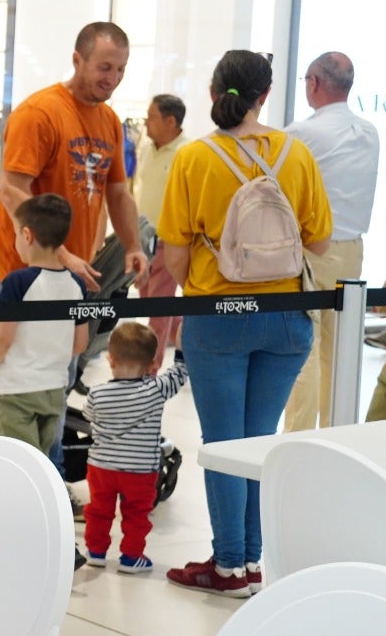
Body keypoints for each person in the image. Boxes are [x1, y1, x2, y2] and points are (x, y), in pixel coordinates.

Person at [157, 50, 331, 598]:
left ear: (214, 94)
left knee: (224, 443)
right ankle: (251, 563)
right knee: (259, 441)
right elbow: (320, 240)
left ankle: (230, 565)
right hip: (286, 322)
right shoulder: (295, 154)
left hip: (218, 319)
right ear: (265, 95)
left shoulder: (194, 158)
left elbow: (176, 257)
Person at [0, 21, 146, 291]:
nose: (113, 78)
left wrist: (133, 246)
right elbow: (11, 191)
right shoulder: (38, 114)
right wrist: (60, 255)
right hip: (25, 273)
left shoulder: (109, 121)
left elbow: (118, 193)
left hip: (75, 270)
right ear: (77, 60)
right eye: (105, 67)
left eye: (121, 69)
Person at [284, 51, 379, 431]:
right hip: (352, 253)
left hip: (311, 250)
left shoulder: (302, 133)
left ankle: (298, 438)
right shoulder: (369, 133)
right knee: (339, 353)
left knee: (304, 349)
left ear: (314, 83)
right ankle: (336, 435)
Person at [0, 194, 89, 454]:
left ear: (27, 236)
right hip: (54, 390)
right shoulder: (77, 285)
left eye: (16, 233)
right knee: (41, 462)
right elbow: (80, 343)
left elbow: (3, 341)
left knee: (20, 463)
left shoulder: (17, 282)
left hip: (18, 393)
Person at [82, 323, 189, 574]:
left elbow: (89, 416)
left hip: (101, 467)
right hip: (140, 470)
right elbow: (180, 373)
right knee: (136, 514)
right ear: (152, 364)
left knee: (98, 510)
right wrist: (181, 349)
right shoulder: (156, 389)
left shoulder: (97, 393)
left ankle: (95, 552)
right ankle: (131, 557)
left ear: (110, 359)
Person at [131, 94, 188, 370]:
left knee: (158, 306)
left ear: (171, 121)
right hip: (143, 237)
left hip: (169, 240)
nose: (145, 122)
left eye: (151, 117)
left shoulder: (185, 153)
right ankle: (188, 342)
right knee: (149, 300)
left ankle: (149, 370)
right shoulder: (146, 149)